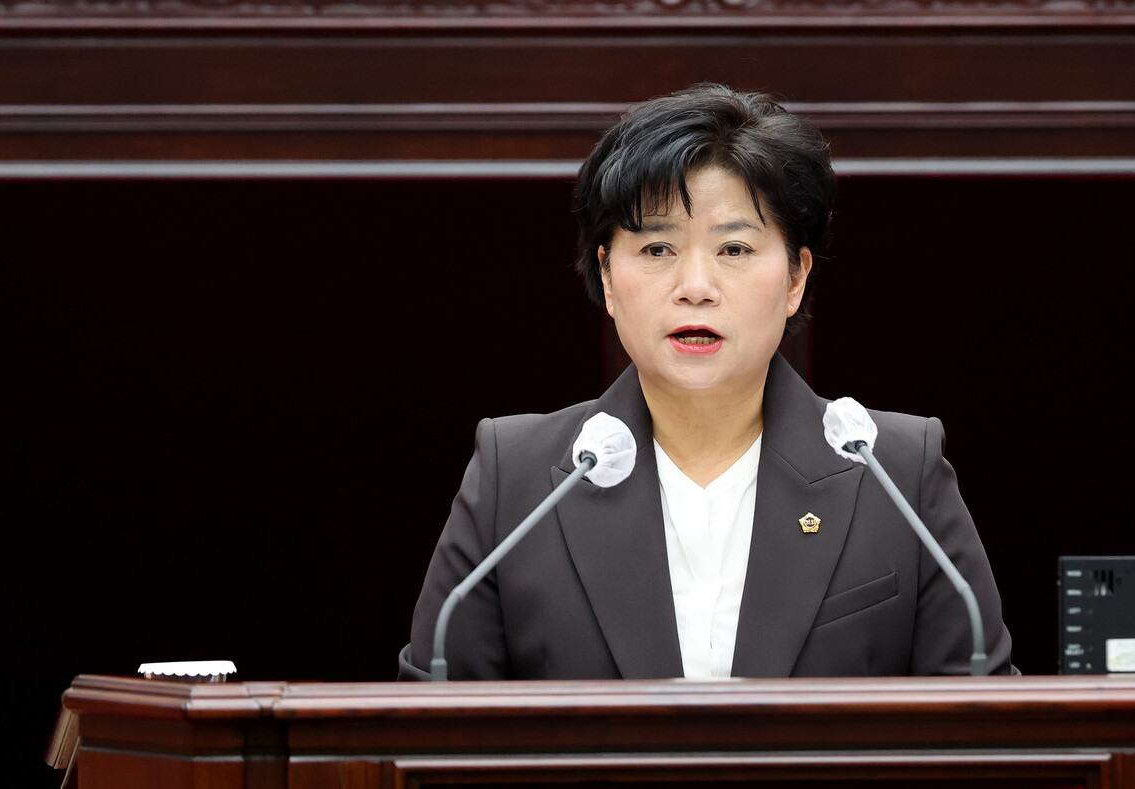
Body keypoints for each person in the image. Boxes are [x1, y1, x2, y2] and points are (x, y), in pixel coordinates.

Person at [401, 84, 1012, 679]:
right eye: (658, 250)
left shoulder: (896, 473)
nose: (696, 287)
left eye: (734, 250)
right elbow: (431, 725)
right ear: (608, 277)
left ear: (795, 278)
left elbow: (987, 723)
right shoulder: (517, 480)